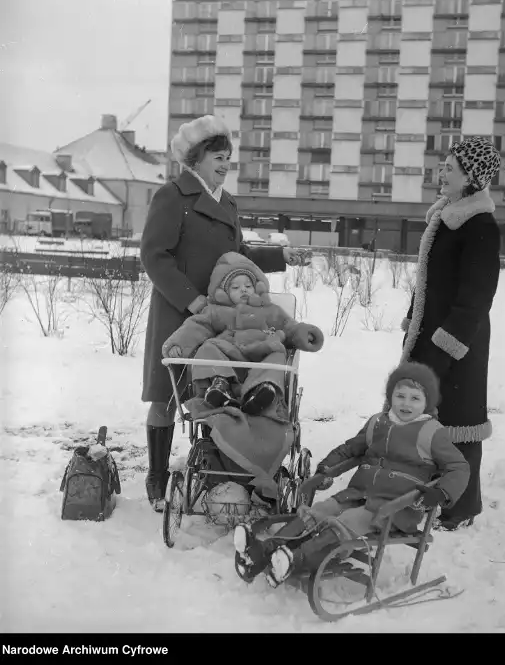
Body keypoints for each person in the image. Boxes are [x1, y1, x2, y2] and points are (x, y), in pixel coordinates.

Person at [140, 114, 309, 512]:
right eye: (217, 156)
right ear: (195, 159)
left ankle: (218, 465)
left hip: (224, 318)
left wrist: (280, 255)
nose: (224, 164)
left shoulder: (227, 204)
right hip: (178, 311)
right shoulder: (171, 197)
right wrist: (191, 300)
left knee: (220, 391)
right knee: (167, 394)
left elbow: (239, 257)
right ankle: (157, 475)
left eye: (227, 158)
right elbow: (154, 255)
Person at [233, 362, 470, 587]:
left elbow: (459, 467)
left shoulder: (431, 432)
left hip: (394, 508)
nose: (406, 404)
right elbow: (350, 449)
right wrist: (326, 469)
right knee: (319, 511)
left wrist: (440, 492)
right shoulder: (378, 422)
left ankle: (295, 559)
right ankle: (266, 551)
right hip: (357, 494)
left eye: (415, 398)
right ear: (390, 397)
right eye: (400, 396)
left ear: (427, 402)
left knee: (345, 522)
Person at [400, 136, 502, 531]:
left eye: (451, 167)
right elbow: (426, 281)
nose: (442, 172)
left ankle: (461, 508)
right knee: (429, 420)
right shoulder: (446, 215)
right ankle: (432, 493)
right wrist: (413, 318)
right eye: (443, 165)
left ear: (473, 177)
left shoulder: (480, 225)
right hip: (429, 333)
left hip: (460, 342)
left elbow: (476, 297)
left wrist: (446, 346)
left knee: (460, 424)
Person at [161, 251, 324, 415]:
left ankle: (262, 390)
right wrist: (178, 344)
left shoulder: (269, 310)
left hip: (262, 352)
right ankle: (220, 384)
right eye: (236, 287)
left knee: (277, 354)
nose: (243, 290)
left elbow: (288, 326)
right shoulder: (217, 311)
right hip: (231, 355)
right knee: (209, 347)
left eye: (248, 286)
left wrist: (303, 333)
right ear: (224, 292)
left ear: (256, 287)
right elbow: (197, 325)